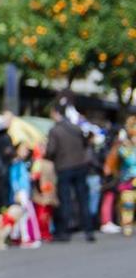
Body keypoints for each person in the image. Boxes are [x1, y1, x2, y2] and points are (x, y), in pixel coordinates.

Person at [45, 98, 95, 242]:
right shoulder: (76, 128)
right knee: (82, 198)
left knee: (65, 199)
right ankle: (88, 230)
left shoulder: (55, 130)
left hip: (64, 167)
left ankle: (65, 232)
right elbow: (86, 143)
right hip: (80, 166)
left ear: (55, 113)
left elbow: (51, 151)